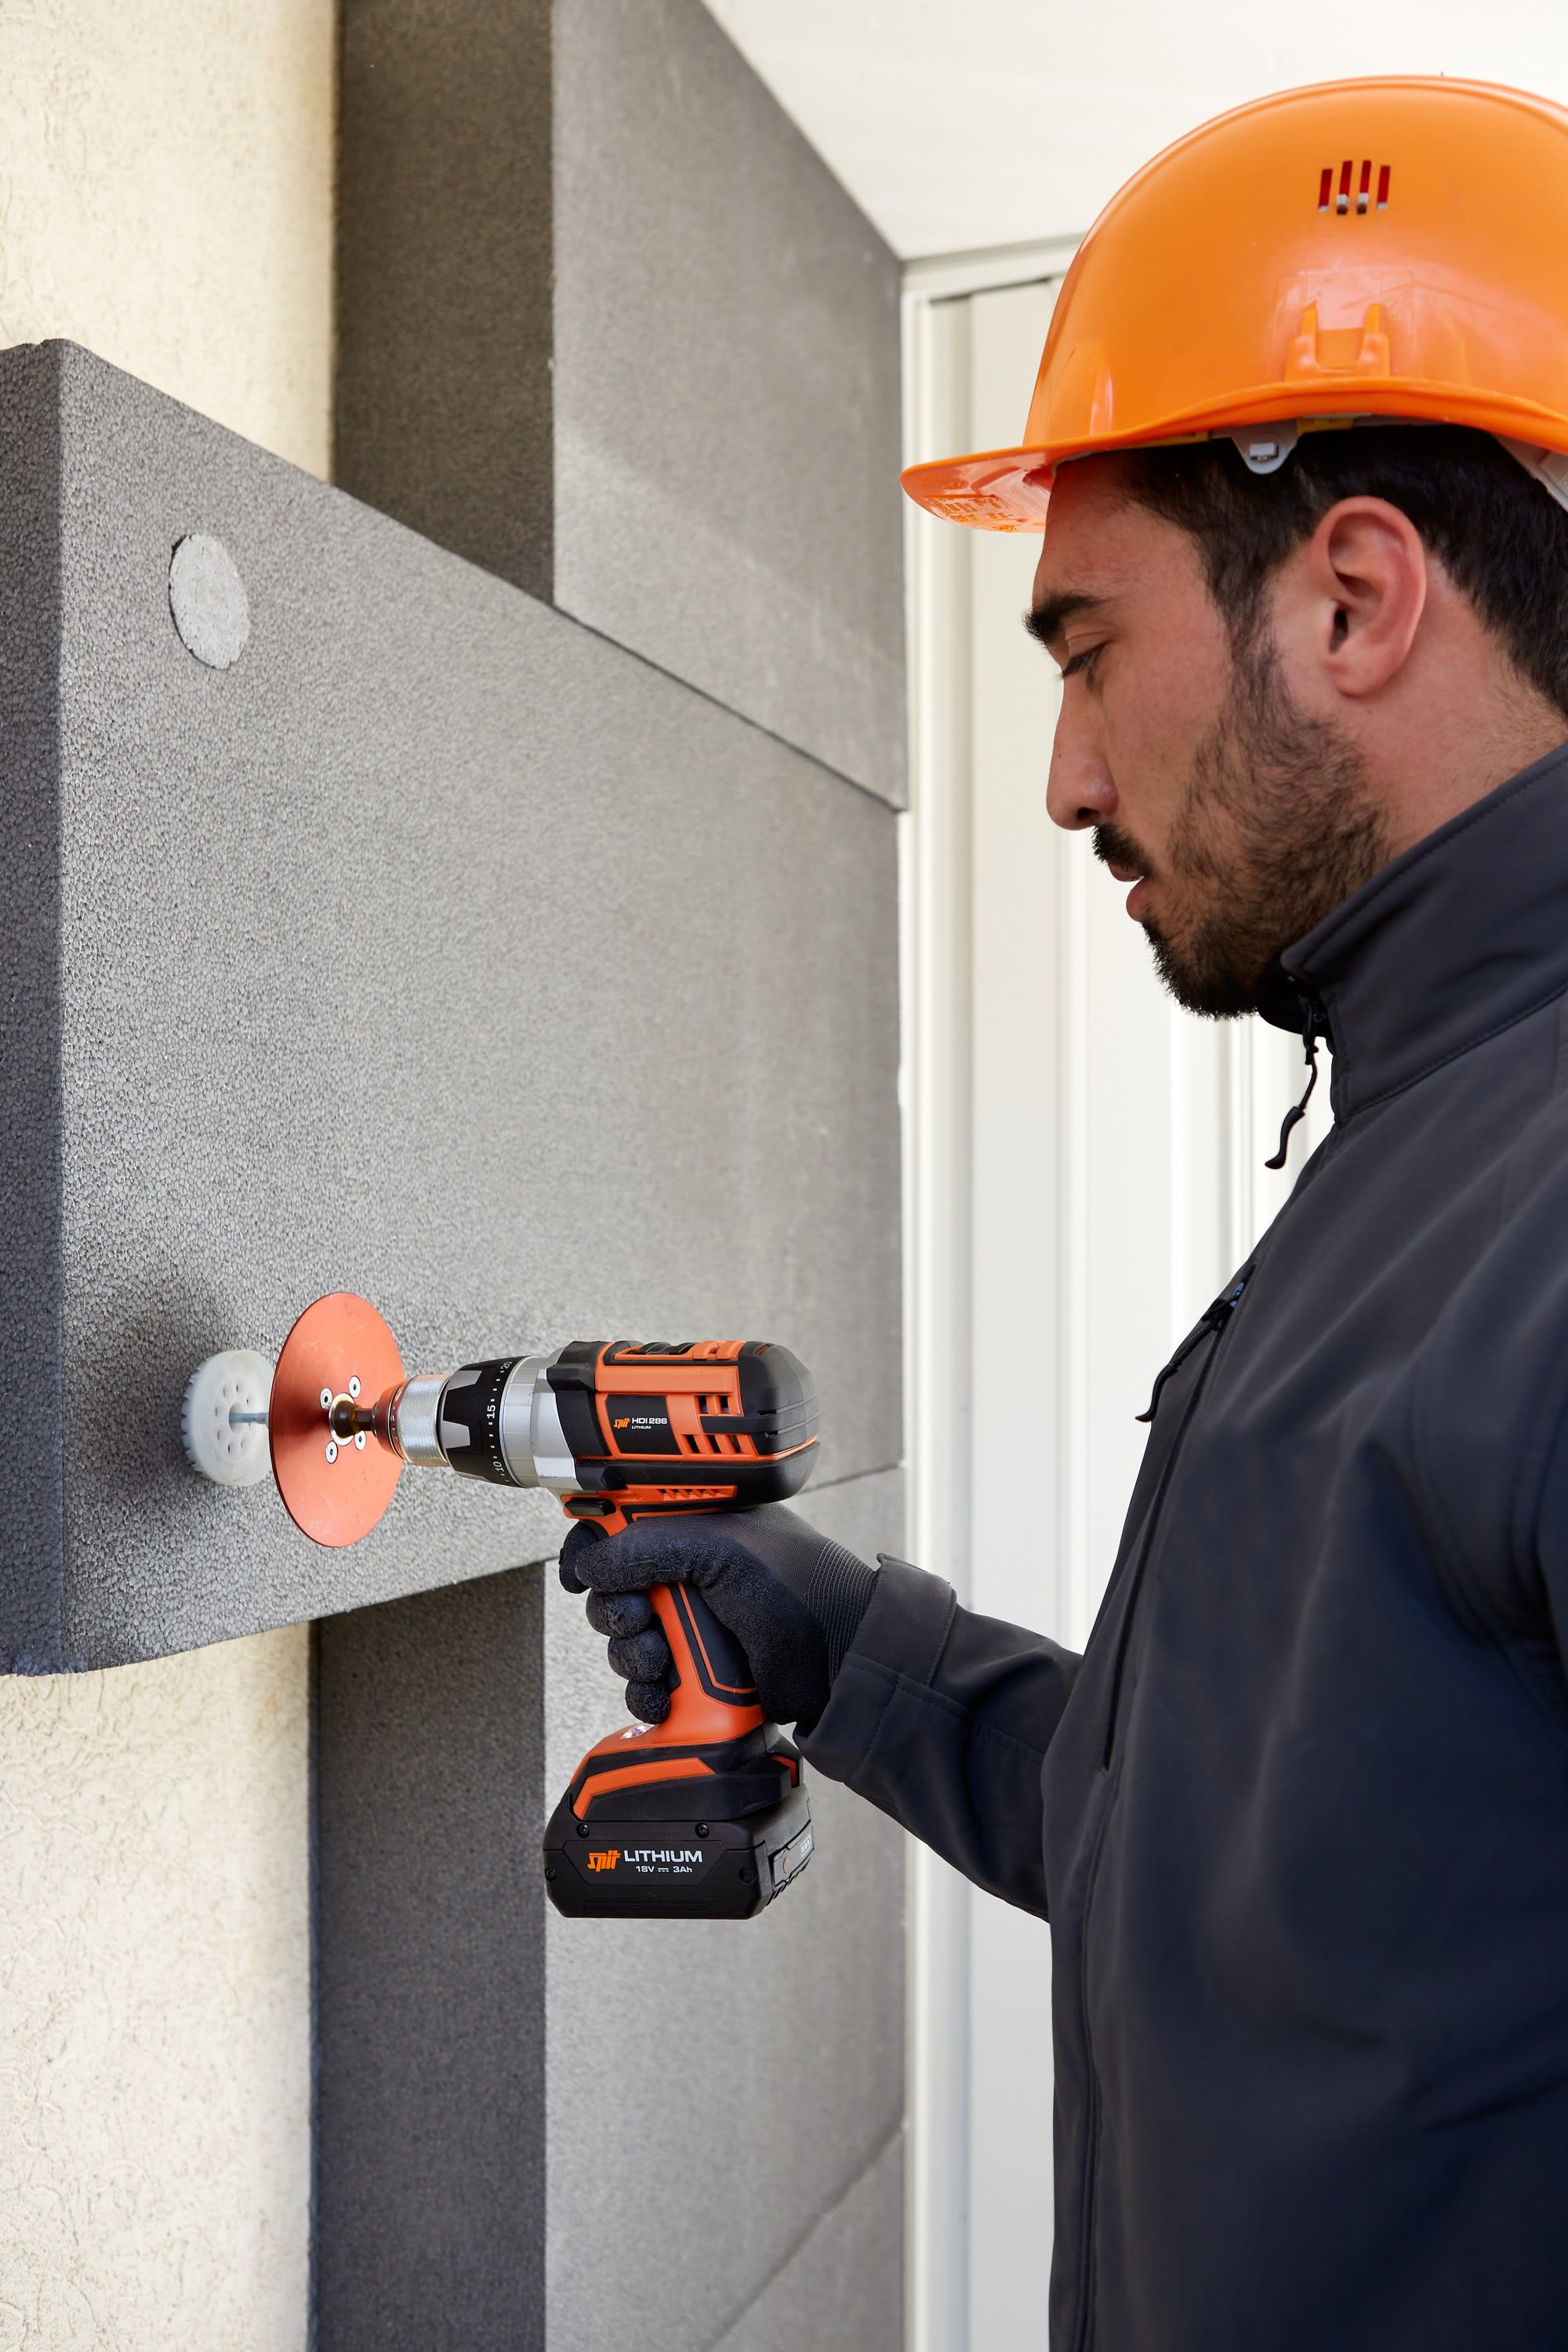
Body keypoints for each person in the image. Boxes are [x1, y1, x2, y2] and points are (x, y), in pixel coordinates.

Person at [560, 77, 1568, 2351]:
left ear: (1355, 598)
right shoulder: (1423, 1137)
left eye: (1088, 650)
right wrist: (854, 1655)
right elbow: (1281, 1886)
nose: (1062, 779)